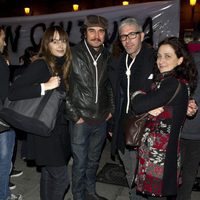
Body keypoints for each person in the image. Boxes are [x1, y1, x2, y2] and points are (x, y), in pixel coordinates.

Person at [8, 26, 72, 200]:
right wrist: (45, 86)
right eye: (54, 41)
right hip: (46, 133)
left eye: (63, 41)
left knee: (48, 175)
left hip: (58, 129)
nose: (60, 45)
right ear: (46, 44)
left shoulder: (63, 65)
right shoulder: (41, 64)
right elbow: (13, 92)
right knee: (61, 180)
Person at [130, 37, 197, 200]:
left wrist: (136, 94)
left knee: (156, 197)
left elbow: (138, 104)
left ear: (180, 60)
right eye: (159, 56)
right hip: (160, 153)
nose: (161, 61)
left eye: (168, 56)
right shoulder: (167, 81)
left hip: (160, 157)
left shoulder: (172, 84)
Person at [68, 15, 114, 200]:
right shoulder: (73, 53)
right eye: (92, 31)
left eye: (101, 31)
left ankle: (90, 192)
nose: (97, 35)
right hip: (80, 119)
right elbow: (64, 87)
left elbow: (110, 86)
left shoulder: (108, 56)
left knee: (94, 161)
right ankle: (78, 195)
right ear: (84, 33)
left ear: (105, 34)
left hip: (101, 119)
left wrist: (111, 109)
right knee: (79, 162)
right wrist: (74, 114)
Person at [109, 18, 155, 200]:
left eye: (132, 35)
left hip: (147, 129)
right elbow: (114, 95)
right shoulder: (119, 62)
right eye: (123, 37)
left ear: (142, 36)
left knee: (145, 179)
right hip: (123, 128)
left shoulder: (154, 59)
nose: (128, 40)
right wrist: (113, 124)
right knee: (131, 175)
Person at [0, 26, 22, 200]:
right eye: (2, 38)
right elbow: (6, 95)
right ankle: (4, 196)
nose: (4, 42)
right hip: (2, 121)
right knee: (3, 163)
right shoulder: (0, 62)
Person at [176, 39, 200, 200]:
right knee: (189, 172)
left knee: (176, 172)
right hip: (192, 130)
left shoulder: (181, 59)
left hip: (180, 126)